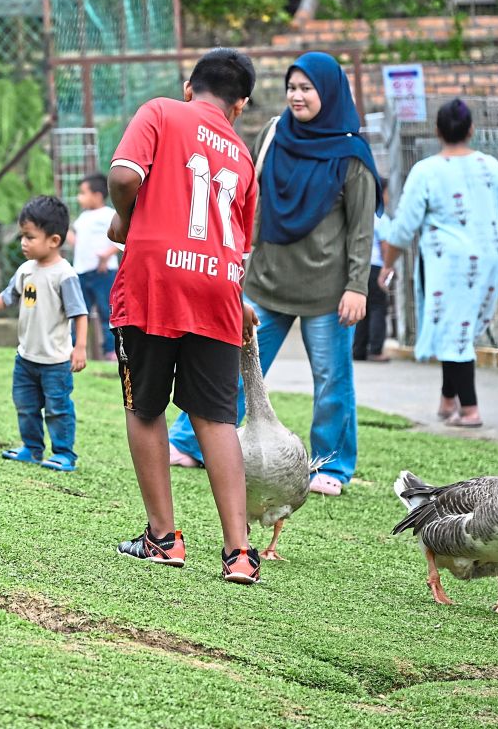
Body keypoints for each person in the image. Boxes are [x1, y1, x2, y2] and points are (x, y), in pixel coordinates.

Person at [167, 51, 382, 499]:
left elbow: (362, 229)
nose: (296, 96)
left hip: (327, 292)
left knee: (332, 381)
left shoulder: (352, 155)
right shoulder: (273, 134)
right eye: (292, 88)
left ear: (329, 93)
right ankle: (189, 442)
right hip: (266, 281)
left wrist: (356, 287)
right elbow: (250, 196)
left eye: (307, 89)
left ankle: (331, 464)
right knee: (229, 364)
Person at [105, 48, 262, 584]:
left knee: (144, 407)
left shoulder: (161, 111)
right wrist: (235, 295)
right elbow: (240, 243)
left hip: (155, 280)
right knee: (216, 419)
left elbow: (123, 175)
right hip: (219, 287)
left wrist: (125, 220)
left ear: (189, 86)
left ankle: (163, 539)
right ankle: (239, 553)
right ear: (240, 105)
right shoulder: (242, 155)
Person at [379, 99, 498, 428]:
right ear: (471, 129)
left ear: (438, 131)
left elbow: (404, 227)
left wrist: (387, 264)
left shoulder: (426, 171)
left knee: (455, 333)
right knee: (455, 327)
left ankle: (469, 410)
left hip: (448, 264)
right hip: (488, 258)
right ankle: (447, 399)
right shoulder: (491, 166)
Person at [0, 195, 88, 472]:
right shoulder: (26, 270)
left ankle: (64, 453)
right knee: (26, 405)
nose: (23, 242)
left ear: (53, 240)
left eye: (30, 237)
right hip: (26, 358)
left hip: (55, 361)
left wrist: (79, 348)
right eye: (22, 236)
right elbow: (7, 297)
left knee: (57, 408)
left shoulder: (64, 275)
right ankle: (32, 448)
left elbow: (79, 313)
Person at [67, 173, 120, 362]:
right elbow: (78, 242)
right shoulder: (83, 218)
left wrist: (107, 255)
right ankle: (72, 348)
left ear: (97, 196)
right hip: (82, 273)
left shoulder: (109, 215)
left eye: (83, 193)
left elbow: (123, 239)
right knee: (80, 312)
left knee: (107, 311)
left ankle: (111, 351)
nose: (79, 198)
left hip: (103, 273)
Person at [353, 212, 391, 362]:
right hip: (376, 267)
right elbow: (385, 245)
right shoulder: (382, 218)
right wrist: (388, 266)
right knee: (378, 308)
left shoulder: (360, 214)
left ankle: (358, 350)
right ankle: (375, 350)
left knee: (363, 309)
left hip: (359, 267)